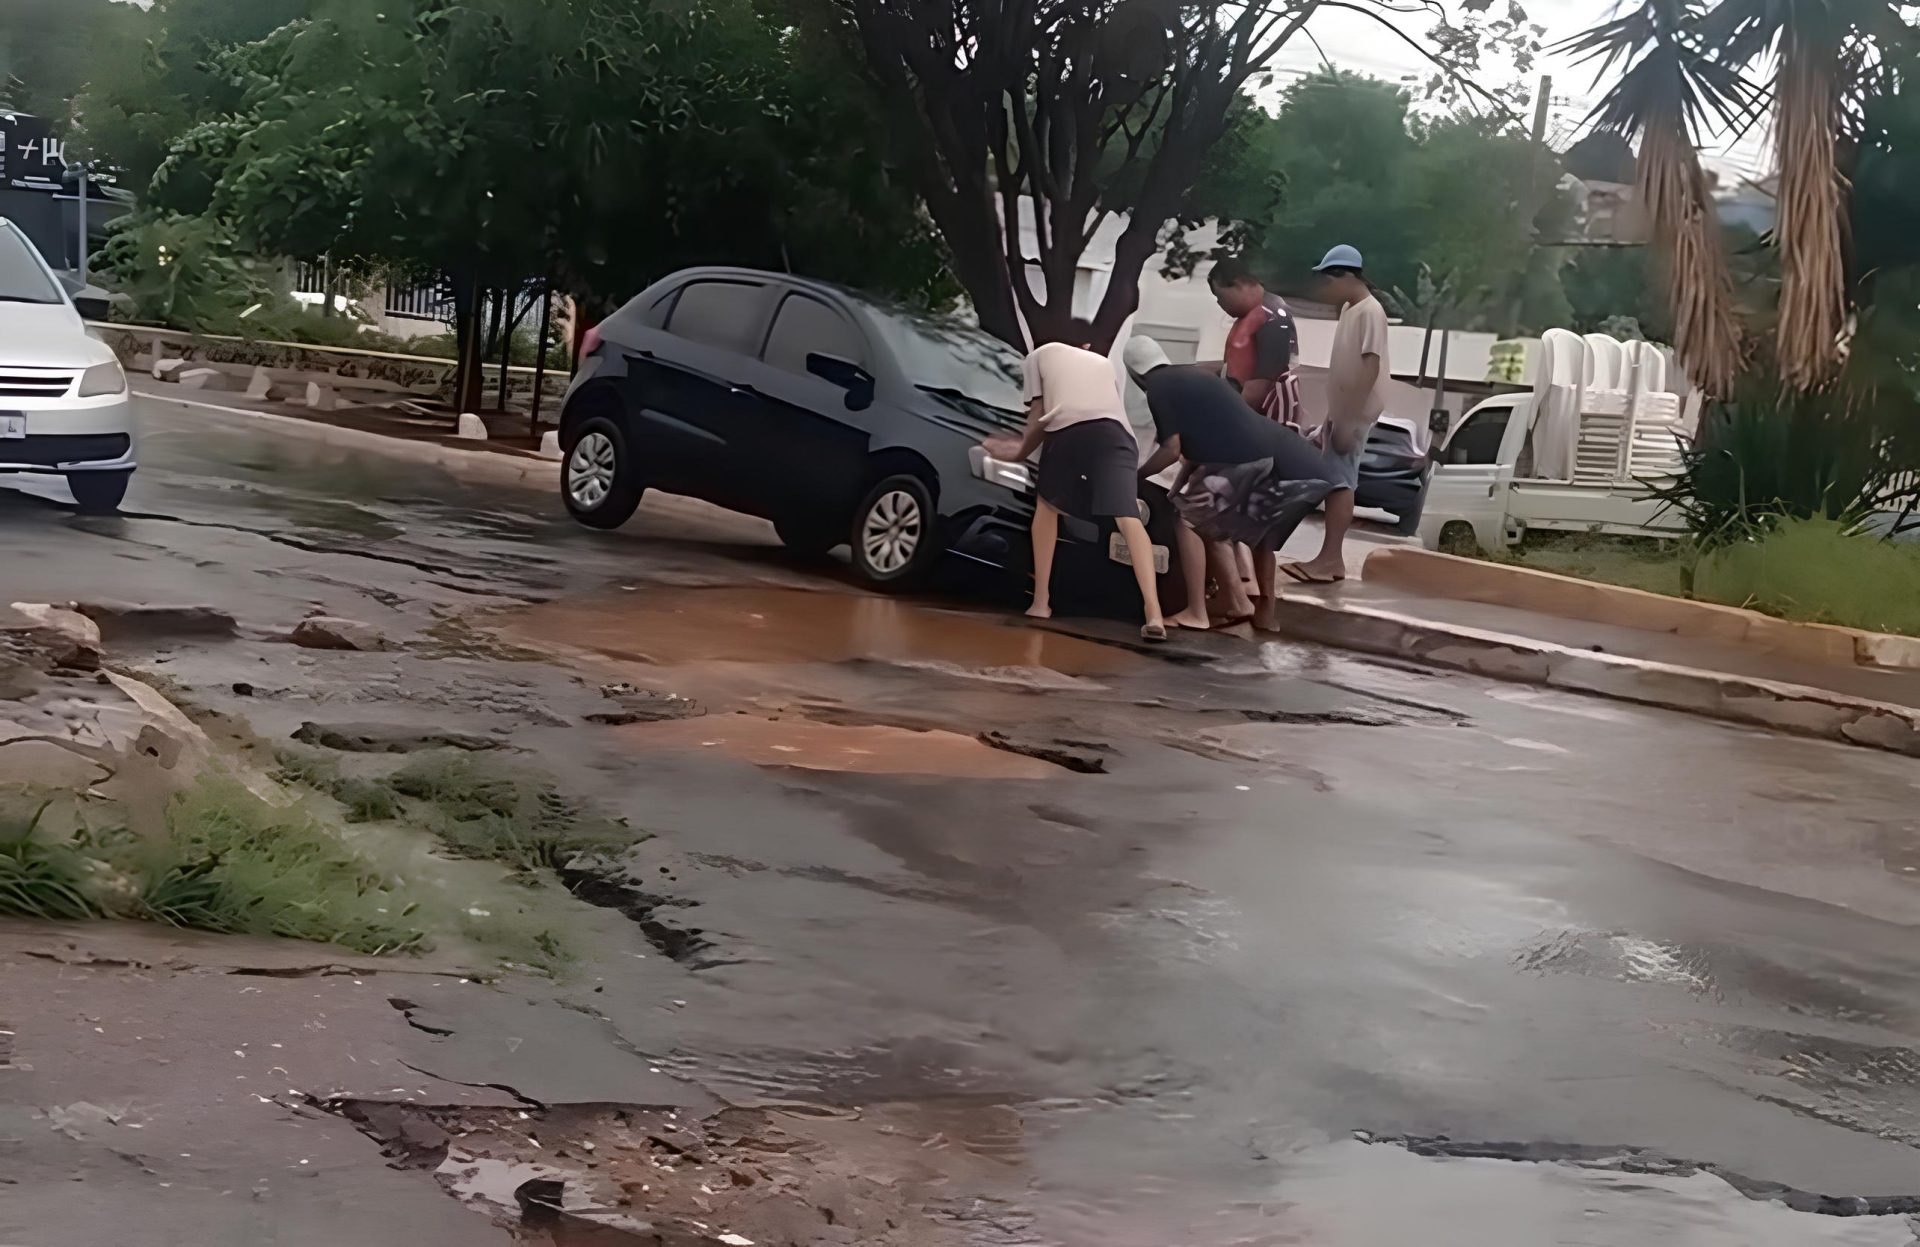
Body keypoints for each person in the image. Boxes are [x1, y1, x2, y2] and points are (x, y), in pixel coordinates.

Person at [1124, 336, 1339, 632]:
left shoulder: (1159, 388)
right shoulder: (1197, 377)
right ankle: (1256, 609)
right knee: (1254, 536)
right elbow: (1195, 455)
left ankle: (1198, 611)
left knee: (1190, 523)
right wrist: (1176, 491)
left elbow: (1171, 450)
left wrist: (1136, 475)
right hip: (1285, 458)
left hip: (1244, 462)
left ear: (1135, 374)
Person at [982, 322, 1169, 642]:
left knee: (1047, 507)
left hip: (1069, 432)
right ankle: (1154, 613)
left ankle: (1041, 602)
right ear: (1083, 346)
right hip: (1119, 438)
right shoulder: (1102, 362)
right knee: (1127, 518)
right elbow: (1101, 409)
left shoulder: (1036, 357)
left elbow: (1040, 419)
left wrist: (1016, 453)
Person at [1282, 244, 1390, 585]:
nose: (1325, 290)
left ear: (1345, 275)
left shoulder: (1371, 311)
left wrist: (1347, 419)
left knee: (1340, 483)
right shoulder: (1351, 309)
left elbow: (1370, 368)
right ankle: (1329, 558)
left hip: (1354, 413)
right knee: (1334, 482)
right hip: (1343, 410)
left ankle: (1331, 560)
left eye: (1329, 280)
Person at [1207, 256, 1303, 426]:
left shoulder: (1271, 315)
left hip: (1255, 419)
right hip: (1238, 408)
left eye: (1220, 295)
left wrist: (1230, 420)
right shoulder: (1252, 315)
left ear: (1239, 284)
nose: (1219, 302)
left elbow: (1263, 382)